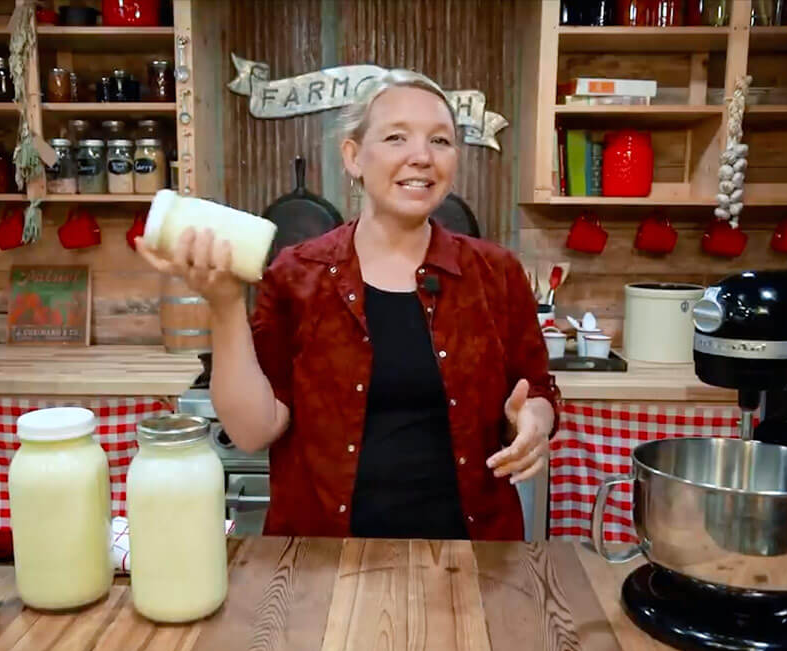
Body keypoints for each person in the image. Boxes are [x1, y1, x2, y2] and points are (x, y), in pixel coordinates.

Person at [135, 69, 559, 540]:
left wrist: (534, 421)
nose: (422, 157)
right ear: (353, 157)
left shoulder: (495, 273)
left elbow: (538, 389)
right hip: (322, 565)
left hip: (471, 560)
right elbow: (254, 431)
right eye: (397, 137)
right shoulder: (298, 275)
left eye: (440, 141)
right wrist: (224, 303)